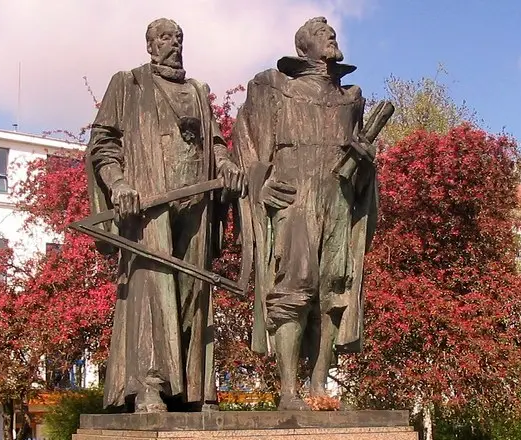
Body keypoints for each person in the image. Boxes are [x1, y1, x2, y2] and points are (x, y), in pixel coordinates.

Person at [85, 17, 245, 413]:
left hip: (198, 200)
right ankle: (149, 386)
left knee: (196, 291)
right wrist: (118, 184)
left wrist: (223, 164)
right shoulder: (130, 83)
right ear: (150, 45)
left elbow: (217, 142)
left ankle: (196, 390)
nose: (173, 43)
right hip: (150, 203)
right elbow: (103, 144)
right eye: (164, 37)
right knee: (152, 288)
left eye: (178, 38)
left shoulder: (197, 89)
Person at [233, 16, 378, 410]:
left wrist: (366, 164)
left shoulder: (352, 99)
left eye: (330, 33)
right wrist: (259, 183)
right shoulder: (273, 88)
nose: (330, 36)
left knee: (335, 289)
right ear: (303, 48)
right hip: (294, 198)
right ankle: (287, 391)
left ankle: (318, 386)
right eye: (319, 34)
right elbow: (245, 140)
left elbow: (362, 168)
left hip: (338, 199)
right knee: (293, 289)